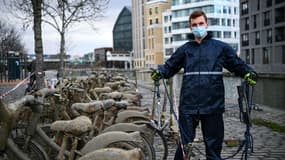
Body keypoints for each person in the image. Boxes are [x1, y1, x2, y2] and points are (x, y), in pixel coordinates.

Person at [151, 11, 257, 160]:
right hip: (189, 106)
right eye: (194, 25)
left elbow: (237, 65)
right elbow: (169, 67)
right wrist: (159, 73)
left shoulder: (221, 48)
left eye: (201, 24)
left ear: (206, 24)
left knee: (213, 150)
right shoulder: (185, 50)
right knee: (184, 148)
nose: (198, 27)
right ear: (190, 28)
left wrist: (249, 73)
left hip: (213, 105)